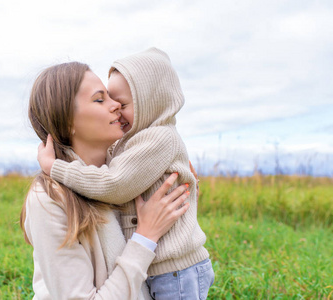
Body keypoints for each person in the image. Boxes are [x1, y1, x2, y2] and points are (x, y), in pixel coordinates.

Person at [38, 48, 214, 299]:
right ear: (67, 121)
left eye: (122, 104)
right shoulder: (48, 198)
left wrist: (57, 167)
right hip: (162, 271)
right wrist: (145, 235)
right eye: (103, 99)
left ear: (149, 104)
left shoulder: (157, 139)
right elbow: (115, 180)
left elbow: (116, 183)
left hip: (176, 271)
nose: (115, 108)